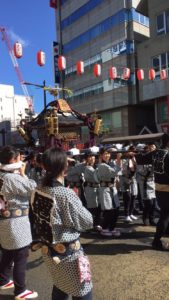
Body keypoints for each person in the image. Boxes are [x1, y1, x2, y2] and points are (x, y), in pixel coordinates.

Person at [31, 147, 93, 300]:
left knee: (60, 284)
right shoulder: (65, 194)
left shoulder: (37, 190)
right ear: (64, 167)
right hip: (69, 255)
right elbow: (87, 222)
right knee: (82, 290)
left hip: (49, 252)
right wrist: (76, 203)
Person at [0, 146, 38, 299]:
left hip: (5, 220)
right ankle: (20, 290)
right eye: (18, 158)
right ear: (12, 161)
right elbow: (33, 188)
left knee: (8, 252)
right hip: (17, 222)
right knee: (21, 255)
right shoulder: (13, 178)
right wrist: (23, 174)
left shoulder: (2, 175)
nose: (21, 160)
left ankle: (2, 279)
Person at [135, 134, 169, 250]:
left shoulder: (156, 153)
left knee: (165, 214)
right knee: (165, 215)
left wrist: (134, 154)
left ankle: (157, 239)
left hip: (159, 189)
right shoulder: (168, 154)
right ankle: (157, 240)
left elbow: (140, 159)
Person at [95, 147, 121, 237]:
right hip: (105, 189)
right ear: (101, 156)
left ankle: (112, 228)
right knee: (109, 210)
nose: (107, 155)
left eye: (108, 154)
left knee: (116, 209)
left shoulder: (109, 163)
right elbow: (115, 172)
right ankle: (105, 228)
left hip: (112, 188)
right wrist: (118, 159)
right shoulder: (102, 165)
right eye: (105, 154)